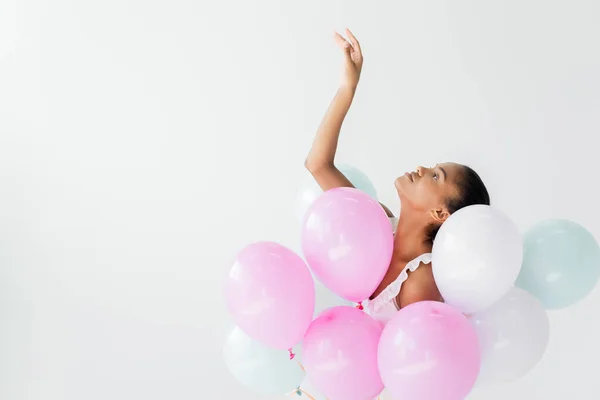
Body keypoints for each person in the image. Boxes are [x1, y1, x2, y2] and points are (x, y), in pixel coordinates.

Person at [304, 29, 491, 325]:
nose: (421, 169)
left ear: (440, 213)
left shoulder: (421, 281)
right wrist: (347, 88)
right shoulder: (378, 222)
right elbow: (318, 165)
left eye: (435, 176)